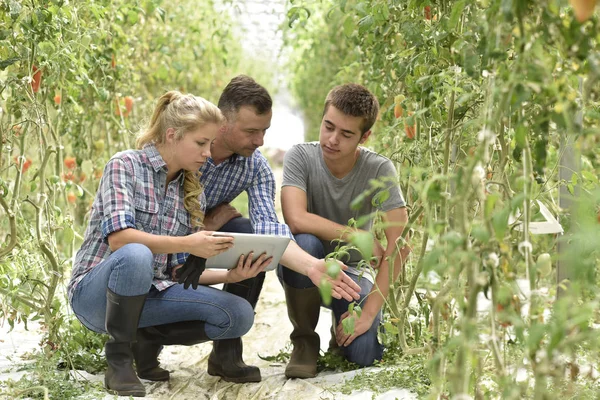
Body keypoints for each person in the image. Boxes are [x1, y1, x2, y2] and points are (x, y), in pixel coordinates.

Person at [68, 91, 271, 397]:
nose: (208, 152)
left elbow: (177, 273)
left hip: (148, 297)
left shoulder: (192, 192)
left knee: (238, 314)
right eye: (201, 143)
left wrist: (231, 276)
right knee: (136, 253)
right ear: (173, 135)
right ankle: (119, 360)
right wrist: (189, 242)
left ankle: (144, 340)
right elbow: (120, 239)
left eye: (210, 143)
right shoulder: (125, 165)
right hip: (97, 298)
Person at [191, 75, 362, 383]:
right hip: (167, 237)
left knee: (250, 237)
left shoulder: (255, 166)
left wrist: (312, 266)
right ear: (222, 123)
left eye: (265, 130)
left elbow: (270, 230)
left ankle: (226, 353)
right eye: (251, 131)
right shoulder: (186, 148)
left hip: (198, 235)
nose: (260, 141)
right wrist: (203, 223)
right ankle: (140, 345)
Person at [278, 83, 411, 378]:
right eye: (328, 127)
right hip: (307, 268)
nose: (332, 139)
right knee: (305, 240)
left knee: (364, 354)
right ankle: (304, 341)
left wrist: (369, 313)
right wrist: (358, 237)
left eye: (346, 134)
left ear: (365, 137)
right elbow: (296, 218)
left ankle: (340, 335)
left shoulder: (379, 169)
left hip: (351, 274)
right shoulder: (301, 156)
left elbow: (399, 245)